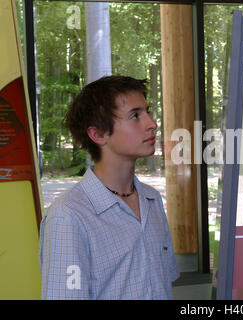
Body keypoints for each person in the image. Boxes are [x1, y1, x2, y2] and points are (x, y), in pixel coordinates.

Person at [39, 75, 179, 299]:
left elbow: (163, 285)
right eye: (135, 116)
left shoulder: (152, 201)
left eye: (147, 111)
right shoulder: (68, 217)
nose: (152, 123)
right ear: (97, 134)